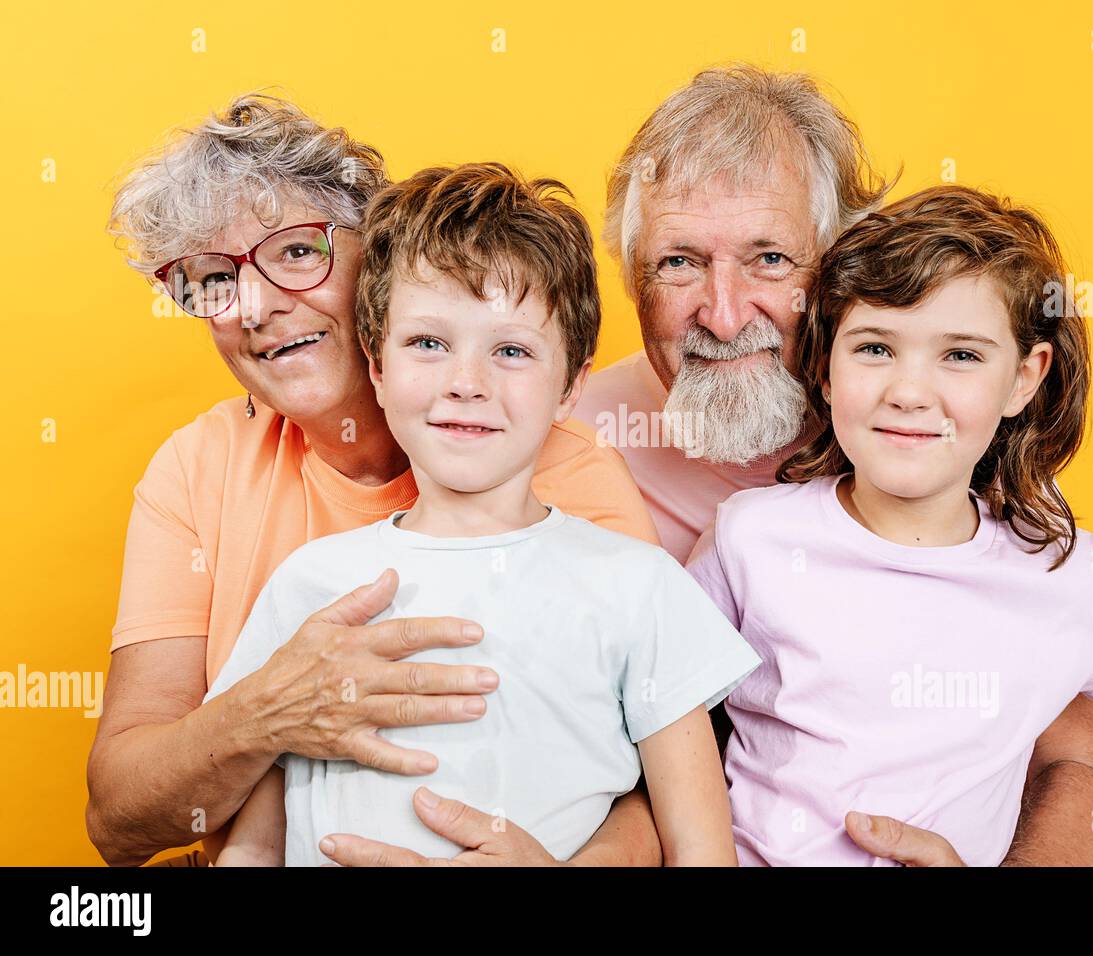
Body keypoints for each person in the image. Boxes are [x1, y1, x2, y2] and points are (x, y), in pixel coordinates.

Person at [574, 64, 1093, 865]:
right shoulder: (551, 442)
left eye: (771, 259)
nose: (721, 310)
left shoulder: (924, 435)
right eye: (677, 261)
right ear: (630, 278)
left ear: (842, 265)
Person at [88, 95, 664, 867]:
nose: (255, 306)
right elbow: (118, 818)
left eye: (296, 252)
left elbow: (651, 788)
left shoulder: (557, 469)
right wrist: (271, 713)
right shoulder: (199, 469)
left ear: (377, 258)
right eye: (211, 279)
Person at [204, 163, 760, 866]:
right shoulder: (312, 585)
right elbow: (251, 844)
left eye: (511, 350)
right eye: (428, 344)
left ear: (571, 388)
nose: (466, 384)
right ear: (377, 365)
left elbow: (703, 853)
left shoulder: (641, 587)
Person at [686, 185, 1093, 866]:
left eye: (961, 355)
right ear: (823, 366)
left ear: (1024, 379)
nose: (909, 392)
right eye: (875, 349)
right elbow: (657, 715)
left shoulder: (1065, 578)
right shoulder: (749, 541)